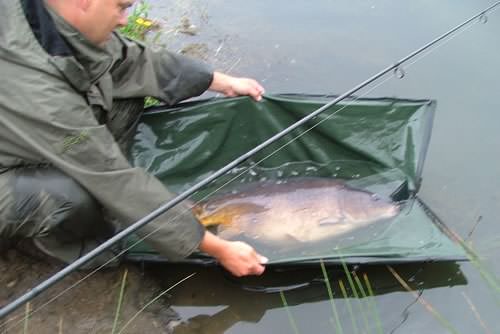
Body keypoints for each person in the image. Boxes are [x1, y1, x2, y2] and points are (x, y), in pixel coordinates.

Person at [0, 0, 268, 277]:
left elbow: (131, 61)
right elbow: (110, 176)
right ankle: (70, 247)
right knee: (70, 195)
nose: (125, 21)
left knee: (124, 91)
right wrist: (218, 248)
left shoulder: (46, 18)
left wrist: (220, 81)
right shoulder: (36, 88)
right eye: (121, 7)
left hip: (41, 136)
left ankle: (101, 197)